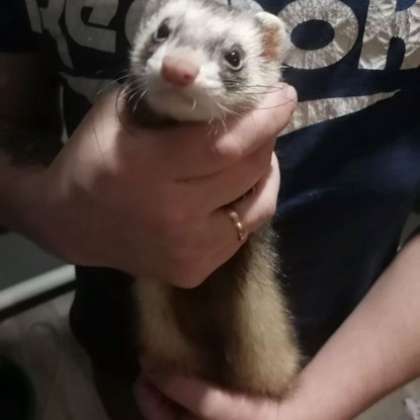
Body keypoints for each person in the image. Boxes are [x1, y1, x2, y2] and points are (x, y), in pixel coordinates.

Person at [1, 1, 419, 419]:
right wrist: (46, 205)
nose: (179, 65)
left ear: (269, 55)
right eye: (163, 34)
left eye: (233, 57)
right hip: (124, 363)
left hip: (344, 372)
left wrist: (315, 406)